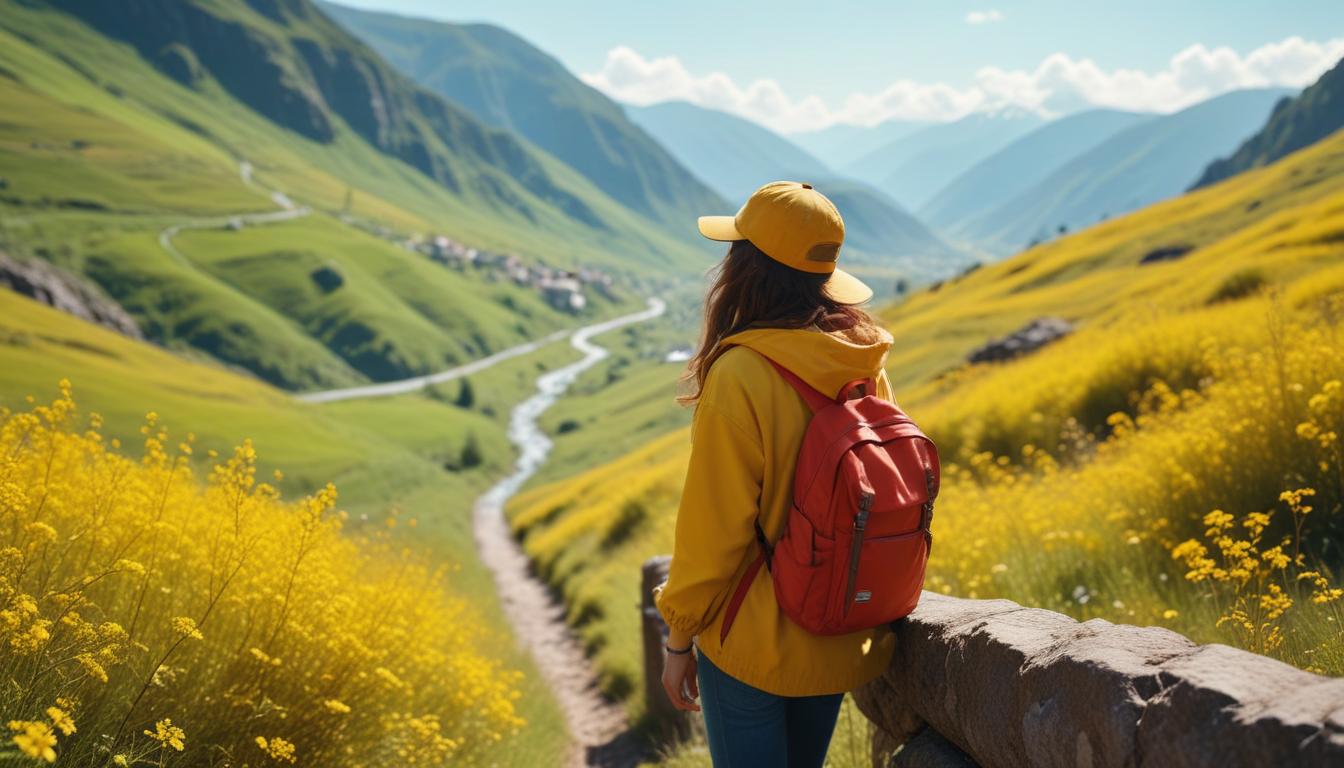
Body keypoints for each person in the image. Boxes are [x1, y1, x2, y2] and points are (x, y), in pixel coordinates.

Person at [655, 181, 898, 767]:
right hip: (838, 626)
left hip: (753, 640)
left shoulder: (742, 373)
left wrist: (678, 638)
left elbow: (713, 533)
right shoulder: (860, 359)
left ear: (748, 266)